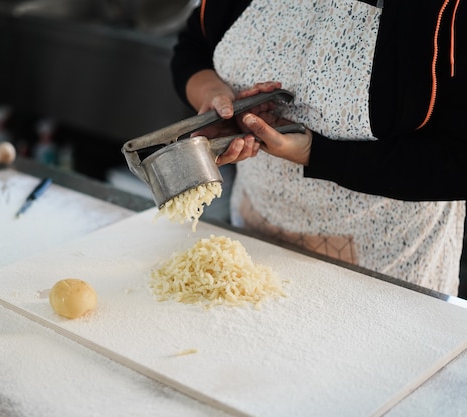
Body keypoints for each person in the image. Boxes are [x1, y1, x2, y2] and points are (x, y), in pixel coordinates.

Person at [170, 0, 466, 296]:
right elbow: (193, 48)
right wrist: (215, 98)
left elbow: (457, 163)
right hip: (252, 233)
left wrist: (315, 152)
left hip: (385, 268)